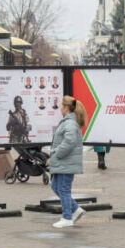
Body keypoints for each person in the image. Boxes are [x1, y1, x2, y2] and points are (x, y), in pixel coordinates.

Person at [50, 96, 86, 228]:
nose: (60, 108)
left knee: (64, 189)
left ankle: (67, 217)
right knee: (55, 186)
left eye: (61, 106)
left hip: (66, 162)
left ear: (66, 108)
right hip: (63, 162)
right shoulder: (67, 121)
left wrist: (58, 153)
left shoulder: (70, 123)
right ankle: (76, 209)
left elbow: (70, 141)